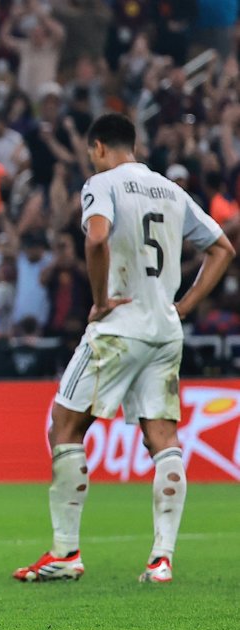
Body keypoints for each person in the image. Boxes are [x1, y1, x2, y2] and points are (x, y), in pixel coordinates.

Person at [13, 113, 235, 584]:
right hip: (164, 331)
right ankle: (161, 559)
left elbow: (96, 239)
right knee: (163, 439)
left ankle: (66, 552)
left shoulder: (102, 183)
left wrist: (99, 302)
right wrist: (184, 305)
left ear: (97, 147)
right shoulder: (171, 191)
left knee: (64, 425)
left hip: (119, 328)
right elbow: (222, 249)